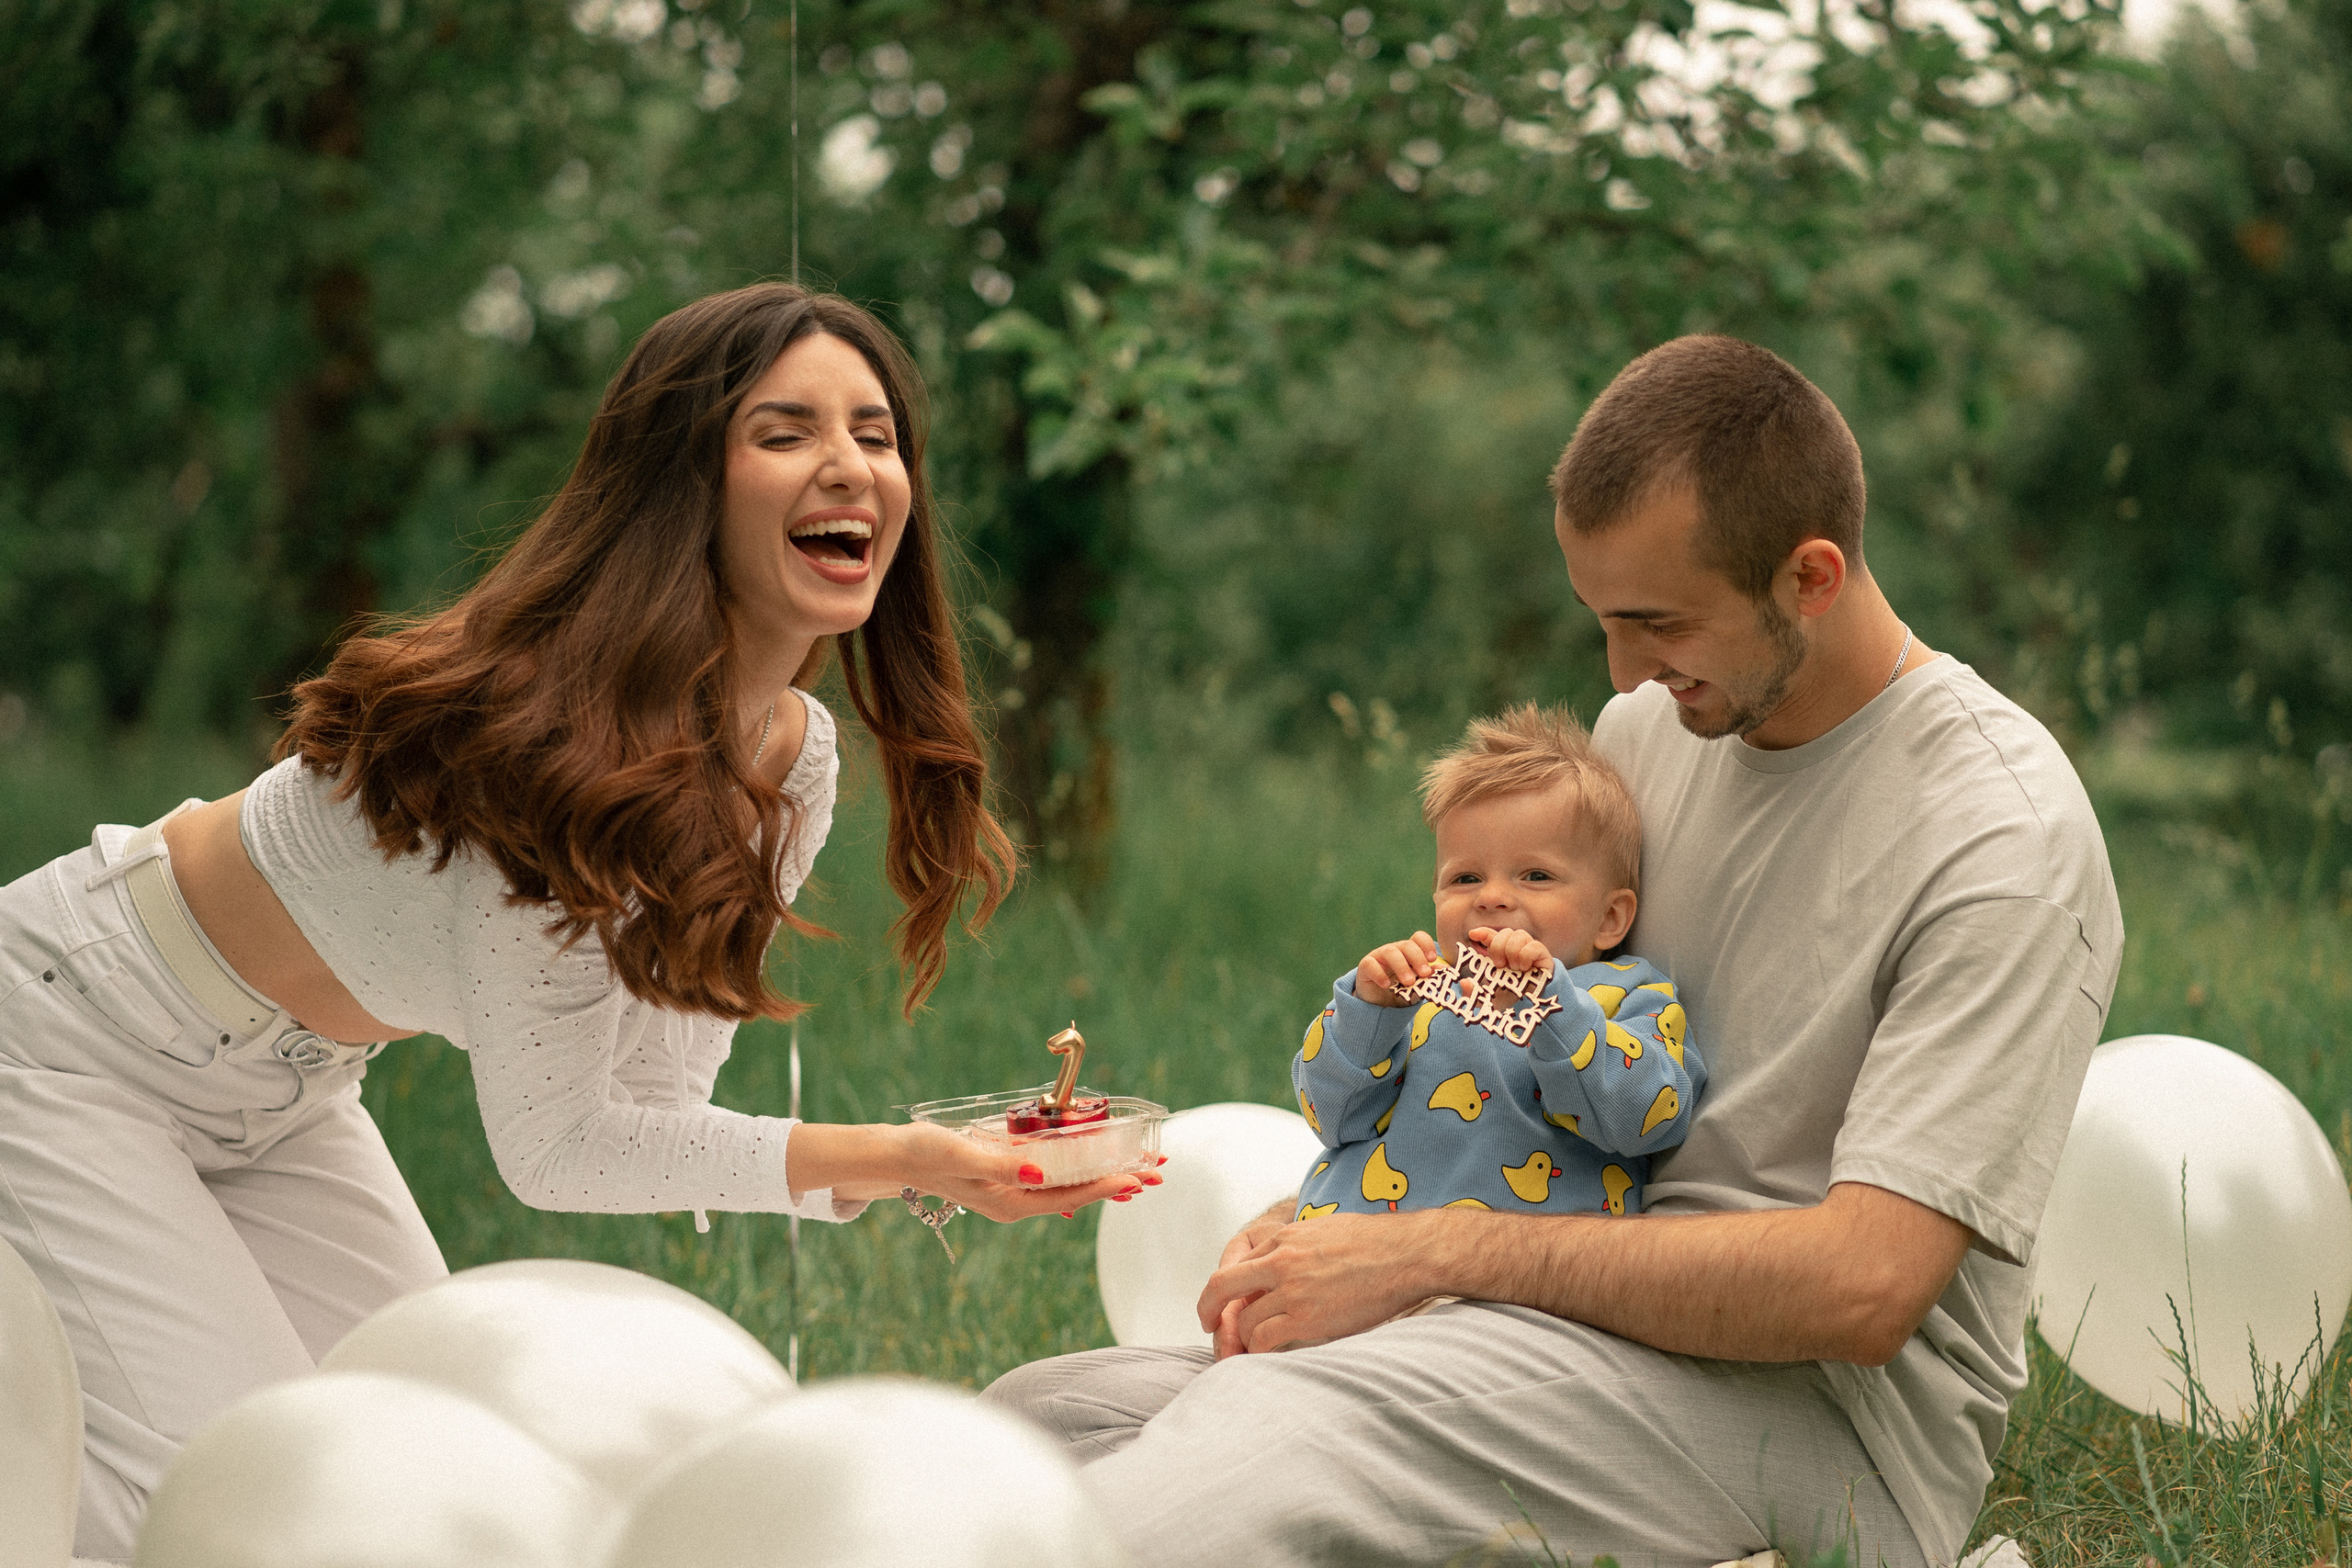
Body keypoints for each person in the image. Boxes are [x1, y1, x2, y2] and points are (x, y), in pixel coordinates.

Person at [0, 283, 1143, 1562]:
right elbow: (557, 1150)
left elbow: (652, 1099)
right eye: (786, 431)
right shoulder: (552, 736)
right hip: (68, 1034)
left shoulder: (790, 757)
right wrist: (906, 1158)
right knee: (216, 1489)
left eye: (876, 433)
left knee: (428, 1448)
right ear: (683, 481)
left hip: (292, 1087)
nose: (850, 466)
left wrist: (920, 1156)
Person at [986, 335, 2123, 1568]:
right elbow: (1489, 1044)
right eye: (1604, 619)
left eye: (1656, 622)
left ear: (1810, 575)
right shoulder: (1652, 729)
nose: (1624, 672)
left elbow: (1862, 1289)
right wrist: (1352, 1213)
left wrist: (1433, 1248)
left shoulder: (2001, 836)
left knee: (1250, 1442)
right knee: (1030, 1428)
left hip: (1821, 1424)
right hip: (1545, 1314)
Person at [1290, 704, 1702, 1232]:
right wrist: (1366, 1014)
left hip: (1515, 1288)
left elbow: (1647, 1119)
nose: (1492, 898)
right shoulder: (1416, 995)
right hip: (1347, 1262)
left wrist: (1556, 1010)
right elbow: (1332, 1116)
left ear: (1610, 918)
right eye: (1464, 878)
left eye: (1535, 875)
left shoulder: (1628, 997)